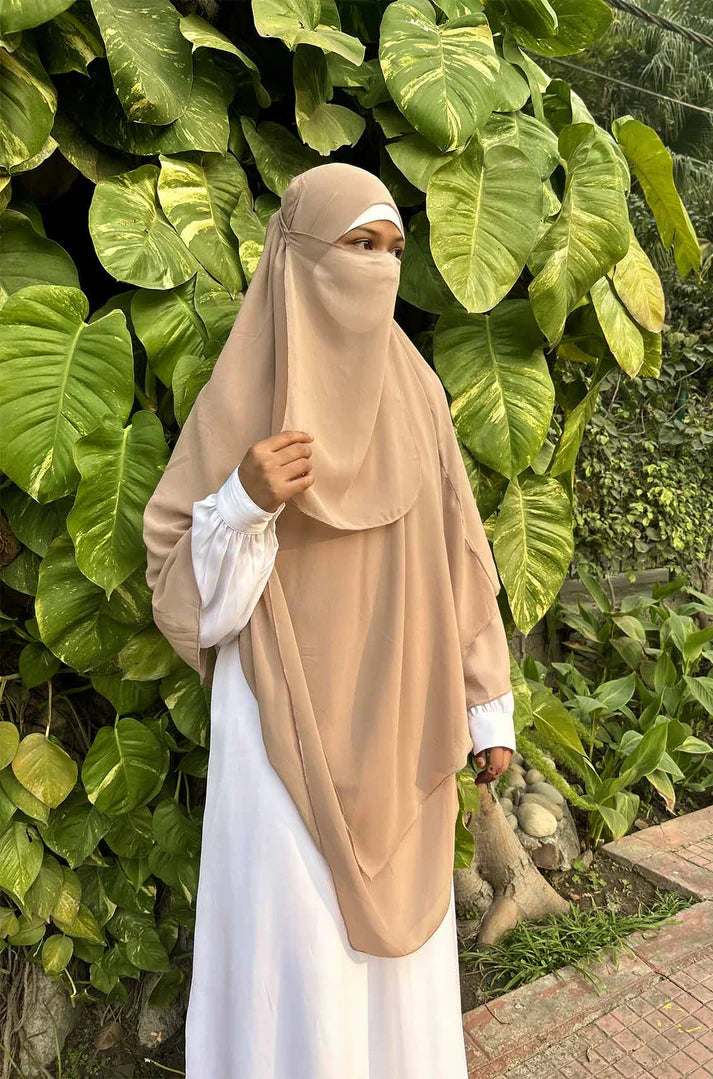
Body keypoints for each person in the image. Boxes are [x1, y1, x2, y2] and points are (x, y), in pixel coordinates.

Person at [142, 162, 516, 1078]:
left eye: (391, 249)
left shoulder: (418, 394)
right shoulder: (247, 396)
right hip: (278, 732)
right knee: (295, 954)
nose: (378, 267)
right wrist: (242, 501)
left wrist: (486, 707)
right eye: (357, 244)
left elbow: (460, 559)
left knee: (393, 981)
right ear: (298, 254)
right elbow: (182, 595)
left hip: (398, 718)